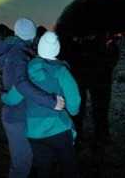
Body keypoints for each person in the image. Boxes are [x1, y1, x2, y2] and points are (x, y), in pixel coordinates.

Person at [0, 18, 66, 178]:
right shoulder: (18, 54)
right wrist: (51, 101)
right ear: (32, 35)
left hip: (16, 113)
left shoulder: (14, 50)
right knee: (22, 164)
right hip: (17, 116)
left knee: (27, 160)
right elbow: (21, 84)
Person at [19, 31, 81, 178]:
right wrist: (73, 111)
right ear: (57, 49)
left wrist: (5, 98)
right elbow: (74, 102)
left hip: (33, 132)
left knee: (43, 171)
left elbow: (13, 98)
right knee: (69, 169)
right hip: (58, 129)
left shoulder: (25, 70)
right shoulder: (61, 70)